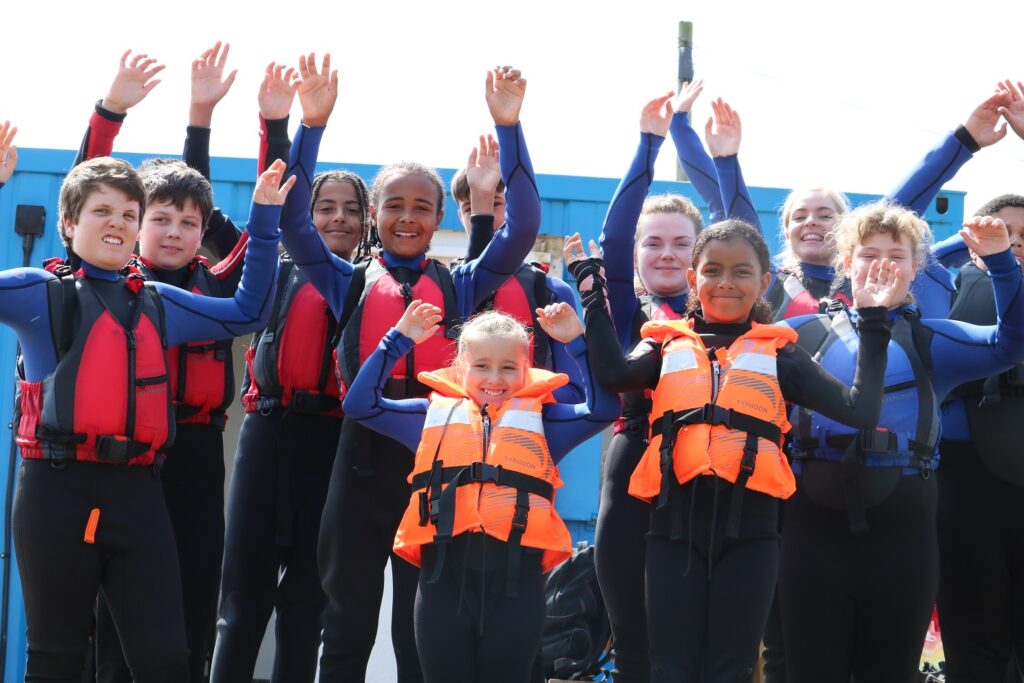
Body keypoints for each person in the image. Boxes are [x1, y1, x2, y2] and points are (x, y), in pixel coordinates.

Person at [272, 57, 541, 681]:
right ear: (375, 214)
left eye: (422, 207)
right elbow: (292, 222)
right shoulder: (345, 281)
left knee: (420, 629)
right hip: (364, 452)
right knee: (346, 619)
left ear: (440, 219)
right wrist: (311, 126)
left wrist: (510, 127)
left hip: (436, 456)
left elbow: (523, 225)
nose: (408, 217)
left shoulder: (466, 284)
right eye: (394, 204)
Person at [567, 217, 899, 682]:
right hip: (671, 532)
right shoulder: (664, 345)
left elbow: (860, 410)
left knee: (732, 669)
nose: (726, 282)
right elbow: (615, 374)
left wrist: (874, 322)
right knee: (672, 669)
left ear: (764, 281)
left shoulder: (780, 353)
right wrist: (590, 290)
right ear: (692, 278)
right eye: (713, 271)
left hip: (752, 537)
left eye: (742, 272)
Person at [4, 152, 288, 683]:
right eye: (102, 211)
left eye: (130, 214)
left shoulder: (160, 304)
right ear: (68, 223)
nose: (118, 223)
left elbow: (250, 312)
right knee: (57, 657)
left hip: (139, 493)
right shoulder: (37, 293)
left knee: (164, 660)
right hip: (57, 492)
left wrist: (267, 220)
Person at [779, 204, 1024, 683]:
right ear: (846, 265)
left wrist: (1001, 262)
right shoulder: (797, 336)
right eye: (869, 254)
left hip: (903, 537)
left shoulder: (933, 340)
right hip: (811, 531)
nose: (883, 264)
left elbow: (1011, 343)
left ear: (916, 269)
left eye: (898, 255)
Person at [341, 302, 617, 683]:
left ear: (526, 370)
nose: (495, 378)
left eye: (508, 367)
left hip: (517, 588)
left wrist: (577, 342)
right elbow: (359, 404)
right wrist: (398, 339)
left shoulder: (546, 422)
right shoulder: (427, 415)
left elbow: (605, 410)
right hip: (442, 584)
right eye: (482, 365)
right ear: (460, 368)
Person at [210, 56, 374, 683]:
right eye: (324, 206)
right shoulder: (268, 265)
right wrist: (294, 125)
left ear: (365, 224)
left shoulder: (366, 285)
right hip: (266, 437)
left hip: (332, 445)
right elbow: (275, 191)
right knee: (242, 604)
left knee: (307, 608)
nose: (335, 218)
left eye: (349, 210)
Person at [587, 90, 705, 683]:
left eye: (681, 242)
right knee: (634, 646)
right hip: (634, 464)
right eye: (652, 242)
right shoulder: (628, 312)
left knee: (694, 650)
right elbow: (611, 239)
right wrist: (648, 144)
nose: (666, 253)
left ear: (701, 253)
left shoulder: (730, 316)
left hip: (706, 476)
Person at [450, 135, 584, 401]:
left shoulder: (550, 291)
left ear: (513, 208)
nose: (484, 214)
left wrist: (513, 405)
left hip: (529, 430)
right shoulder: (445, 284)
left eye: (495, 203)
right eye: (472, 208)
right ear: (460, 217)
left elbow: (574, 389)